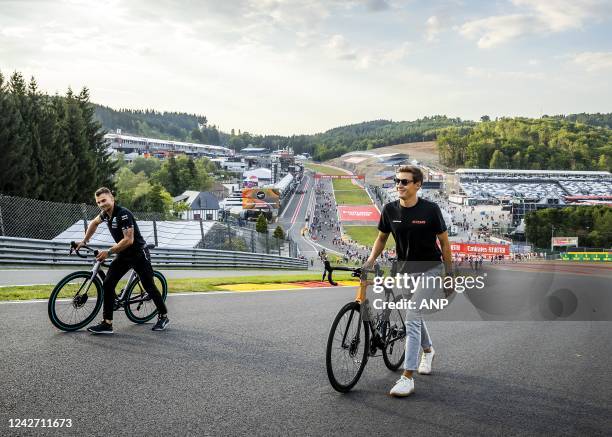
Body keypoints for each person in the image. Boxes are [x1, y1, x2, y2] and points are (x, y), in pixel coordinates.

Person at [363, 165, 453, 397]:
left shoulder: (431, 210)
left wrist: (449, 275)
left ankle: (407, 377)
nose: (399, 185)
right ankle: (428, 350)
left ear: (417, 185)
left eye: (404, 181)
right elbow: (381, 238)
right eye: (397, 181)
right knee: (415, 315)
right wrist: (371, 260)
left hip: (431, 269)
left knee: (412, 315)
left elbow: (444, 243)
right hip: (405, 270)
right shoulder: (389, 210)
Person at [77, 187, 169, 334]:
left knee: (149, 286)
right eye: (98, 202)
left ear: (112, 199)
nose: (101, 204)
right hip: (123, 255)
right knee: (108, 284)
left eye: (104, 200)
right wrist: (84, 241)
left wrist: (108, 252)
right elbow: (94, 223)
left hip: (138, 254)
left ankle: (163, 316)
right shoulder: (105, 215)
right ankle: (107, 324)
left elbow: (129, 240)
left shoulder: (123, 214)